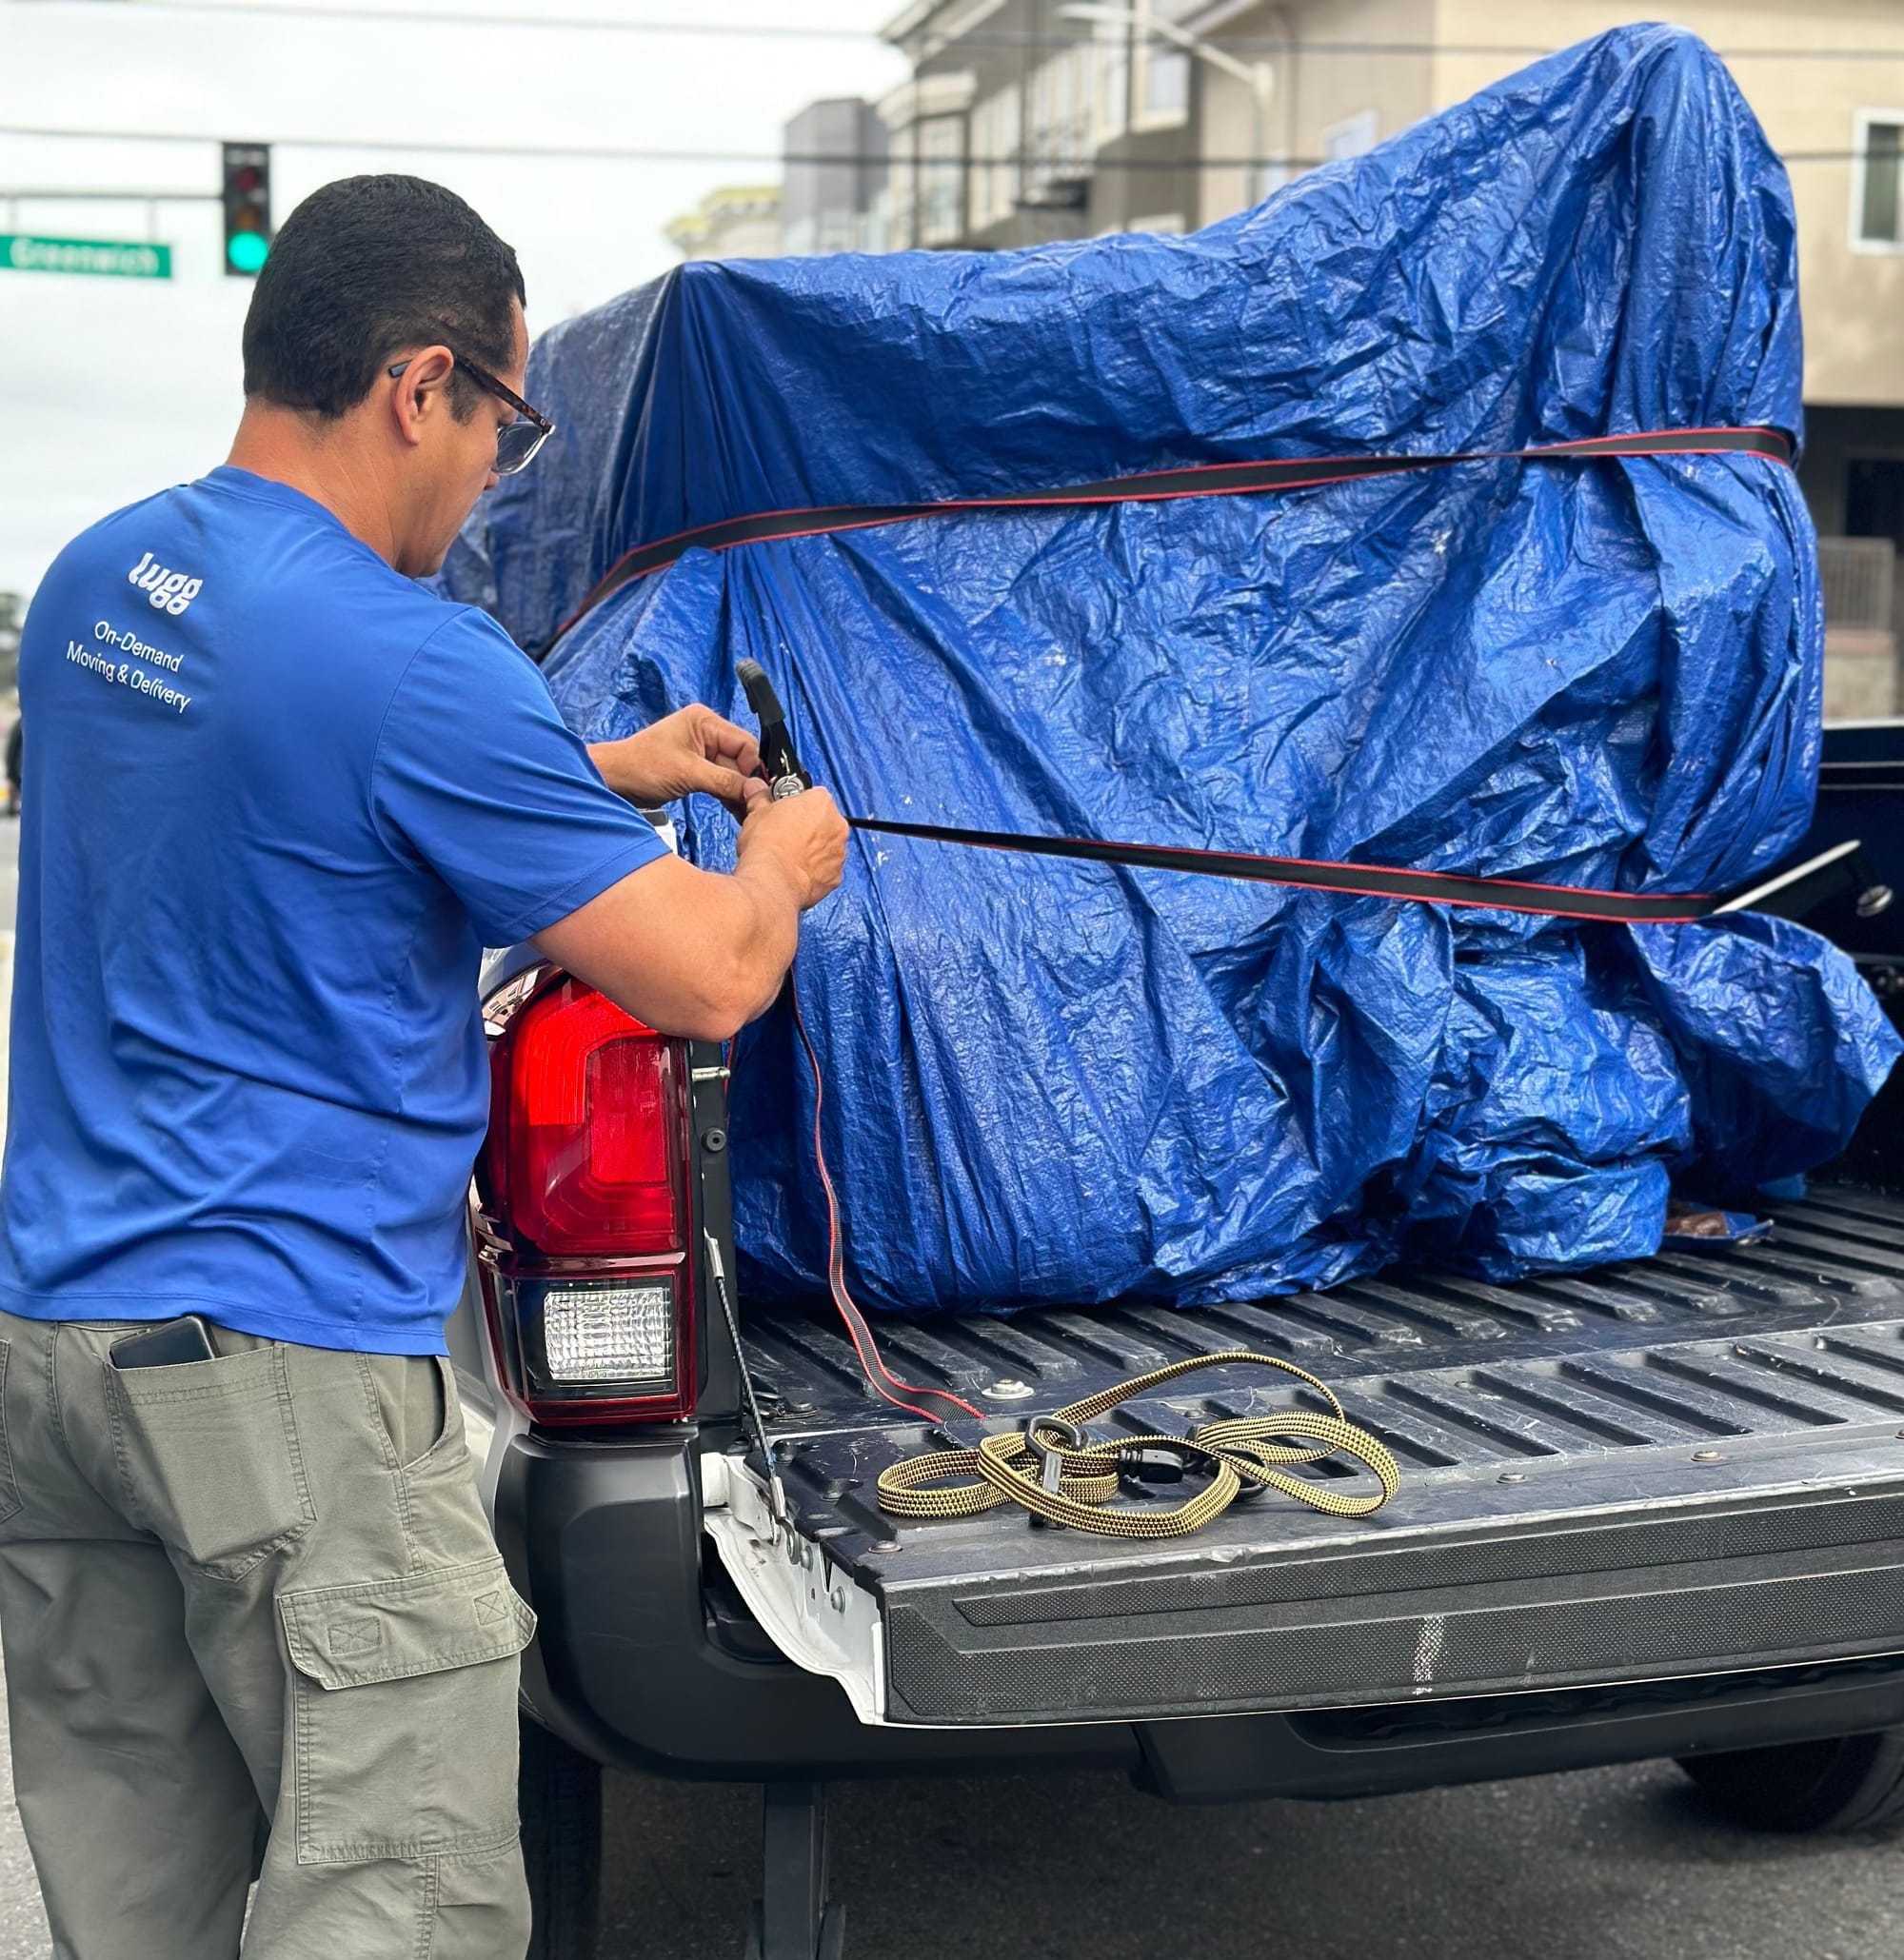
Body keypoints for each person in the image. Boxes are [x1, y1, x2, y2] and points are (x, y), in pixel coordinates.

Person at [0, 174, 848, 1960]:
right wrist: (775, 864)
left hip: (57, 1367)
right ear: (421, 384)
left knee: (135, 1917)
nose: (496, 473)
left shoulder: (100, 582)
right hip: (280, 1381)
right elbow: (705, 980)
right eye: (506, 425)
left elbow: (271, 798)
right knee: (395, 1903)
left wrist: (584, 774)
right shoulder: (414, 662)